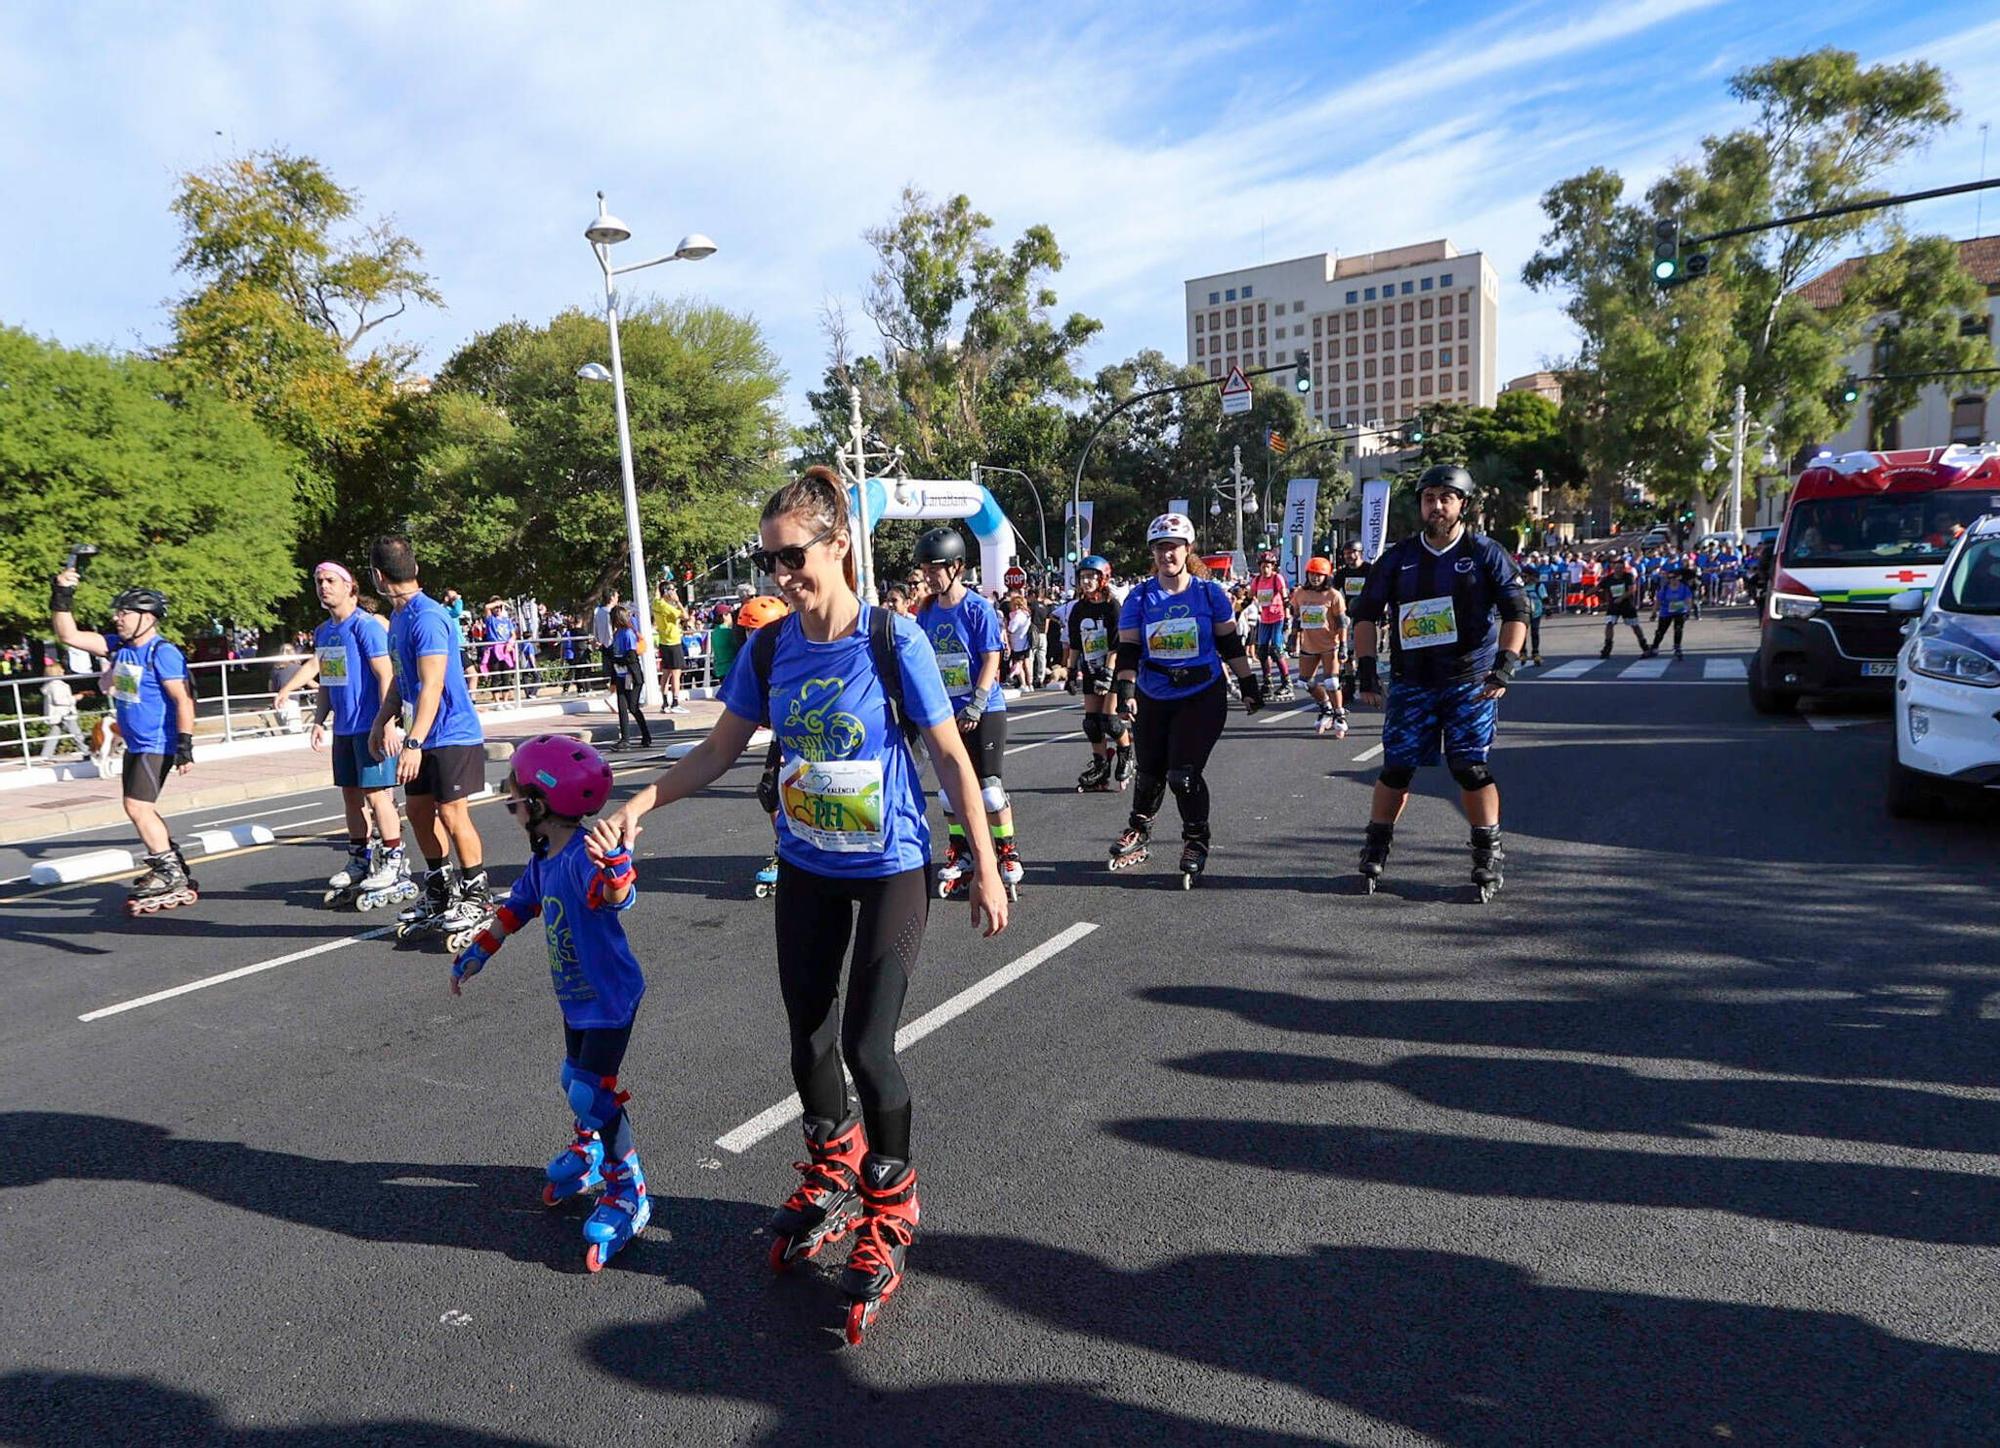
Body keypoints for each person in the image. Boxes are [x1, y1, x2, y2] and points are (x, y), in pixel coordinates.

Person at [603, 464, 1008, 1344]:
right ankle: (833, 1166)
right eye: (768, 561)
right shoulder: (769, 648)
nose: (780, 575)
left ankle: (890, 1200)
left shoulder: (892, 641)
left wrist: (985, 860)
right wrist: (639, 805)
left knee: (869, 1043)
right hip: (809, 862)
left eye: (792, 556)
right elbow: (717, 751)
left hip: (892, 862)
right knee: (807, 1033)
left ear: (840, 545)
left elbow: (948, 757)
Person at [450, 735, 651, 1272]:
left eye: (514, 796)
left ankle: (629, 1191)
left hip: (609, 998)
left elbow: (617, 898)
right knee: (574, 1080)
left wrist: (615, 868)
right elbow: (518, 907)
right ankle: (588, 1153)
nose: (510, 804)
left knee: (591, 1090)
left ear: (540, 804)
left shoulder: (586, 856)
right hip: (577, 997)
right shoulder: (544, 860)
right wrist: (479, 951)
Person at [1349, 465, 1528, 901]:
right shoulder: (1399, 557)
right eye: (1429, 498)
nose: (1437, 506)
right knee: (1396, 768)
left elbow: (1516, 612)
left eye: (1446, 498)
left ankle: (1488, 852)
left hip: (1469, 680)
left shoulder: (1485, 553)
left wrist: (1504, 665)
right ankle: (1376, 844)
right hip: (1414, 681)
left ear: (1463, 504)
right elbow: (1366, 615)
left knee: (1469, 769)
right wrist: (1367, 670)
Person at [1107, 513, 1267, 887]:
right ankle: (1140, 829)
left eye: (1173, 548)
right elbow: (1129, 649)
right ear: (1153, 553)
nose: (1167, 555)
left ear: (1187, 550)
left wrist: (1248, 683)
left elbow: (1229, 642)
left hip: (1201, 693)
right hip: (1155, 692)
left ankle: (1196, 840)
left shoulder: (1209, 593)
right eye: (1161, 548)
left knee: (1183, 775)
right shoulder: (1140, 596)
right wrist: (1125, 692)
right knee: (1149, 771)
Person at [365, 534, 492, 943]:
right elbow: (402, 682)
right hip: (423, 733)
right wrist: (381, 721)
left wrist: (413, 742)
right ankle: (439, 891)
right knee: (419, 812)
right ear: (413, 569)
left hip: (451, 732)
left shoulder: (429, 617)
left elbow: (434, 683)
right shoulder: (398, 619)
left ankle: (477, 895)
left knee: (453, 814)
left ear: (378, 577)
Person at [50, 570, 199, 912]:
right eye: (118, 612)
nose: (117, 618)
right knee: (138, 808)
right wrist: (62, 595)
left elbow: (182, 701)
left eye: (125, 613)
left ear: (147, 618)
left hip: (157, 743)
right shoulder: (119, 647)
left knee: (137, 807)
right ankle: (169, 862)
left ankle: (169, 871)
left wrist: (185, 745)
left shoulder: (162, 652)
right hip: (135, 743)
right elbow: (68, 634)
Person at [272, 562, 413, 909]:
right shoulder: (323, 632)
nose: (323, 586)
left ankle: (393, 858)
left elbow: (386, 677)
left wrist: (387, 723)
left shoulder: (365, 626)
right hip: (344, 729)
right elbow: (328, 682)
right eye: (318, 581)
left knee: (377, 794)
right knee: (351, 796)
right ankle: (359, 858)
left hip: (371, 725)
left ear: (350, 586)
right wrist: (319, 720)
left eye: (330, 580)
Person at [914, 527, 1024, 899]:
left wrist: (977, 700)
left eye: (936, 568)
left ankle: (1007, 853)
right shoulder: (926, 611)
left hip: (984, 707)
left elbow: (992, 657)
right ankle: (961, 852)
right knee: (950, 791)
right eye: (925, 569)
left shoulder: (977, 608)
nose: (929, 575)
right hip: (947, 711)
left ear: (958, 567)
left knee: (989, 790)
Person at [1066, 555, 1129, 791]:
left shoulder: (1112, 607)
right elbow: (1074, 644)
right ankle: (1101, 768)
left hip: (1114, 667)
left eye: (1091, 576)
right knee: (1092, 724)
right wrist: (1071, 671)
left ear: (1103, 578)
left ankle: (1125, 753)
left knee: (1110, 721)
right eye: (1083, 577)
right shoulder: (1078, 609)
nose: (1086, 581)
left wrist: (1109, 672)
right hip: (1091, 668)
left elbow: (1117, 644)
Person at [1291, 556, 1348, 737]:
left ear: (1326, 576)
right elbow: (1296, 617)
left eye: (1319, 575)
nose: (1315, 578)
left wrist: (1344, 646)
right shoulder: (1300, 593)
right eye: (1312, 574)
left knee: (1332, 681)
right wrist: (1293, 638)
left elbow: (1342, 623)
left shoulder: (1333, 595)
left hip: (1330, 645)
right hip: (1309, 645)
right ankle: (1326, 707)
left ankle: (1339, 714)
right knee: (1304, 682)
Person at [605, 605, 653, 751]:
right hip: (621, 676)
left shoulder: (628, 633)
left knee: (633, 707)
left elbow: (631, 656)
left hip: (631, 676)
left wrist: (617, 660)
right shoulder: (617, 633)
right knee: (622, 707)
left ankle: (646, 735)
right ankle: (625, 739)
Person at [1248, 551, 1293, 700]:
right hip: (1264, 619)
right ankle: (1267, 682)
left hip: (1278, 617)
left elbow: (1285, 599)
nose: (1265, 569)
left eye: (1268, 566)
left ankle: (1287, 683)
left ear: (1273, 566)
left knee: (1276, 650)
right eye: (1262, 566)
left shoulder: (1277, 578)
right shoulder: (1256, 580)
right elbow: (1249, 597)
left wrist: (1287, 618)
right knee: (1261, 651)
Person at [1331, 542, 1372, 698]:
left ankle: (1368, 681)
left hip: (1368, 615)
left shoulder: (1369, 570)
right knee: (1348, 651)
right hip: (1349, 616)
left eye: (1352, 552)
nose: (1349, 556)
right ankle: (1349, 683)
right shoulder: (1342, 574)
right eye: (1346, 553)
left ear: (1360, 552)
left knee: (1365, 651)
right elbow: (1335, 594)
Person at [35, 657, 92, 761]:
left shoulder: (50, 685)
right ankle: (87, 751)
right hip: (65, 713)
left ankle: (46, 755)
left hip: (57, 714)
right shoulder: (57, 685)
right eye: (61, 669)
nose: (63, 671)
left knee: (54, 734)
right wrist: (74, 698)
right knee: (76, 733)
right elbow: (59, 700)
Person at [1596, 554, 1647, 658]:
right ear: (1613, 568)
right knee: (1609, 623)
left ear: (1623, 568)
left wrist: (1621, 598)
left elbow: (1632, 589)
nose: (1618, 570)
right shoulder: (1608, 578)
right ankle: (1607, 647)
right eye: (1616, 568)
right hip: (1613, 605)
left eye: (1620, 568)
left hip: (1627, 605)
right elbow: (1597, 587)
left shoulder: (1628, 576)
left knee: (1634, 625)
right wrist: (1585, 596)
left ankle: (1644, 646)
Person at [1650, 566, 1696, 660]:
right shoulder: (1665, 588)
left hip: (1680, 611)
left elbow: (1688, 600)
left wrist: (1688, 611)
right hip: (1666, 611)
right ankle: (1655, 647)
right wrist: (1654, 613)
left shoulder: (1684, 588)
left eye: (1674, 578)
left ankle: (1677, 647)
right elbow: (1658, 601)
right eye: (1670, 578)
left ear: (1678, 578)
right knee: (1660, 631)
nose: (1672, 580)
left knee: (1678, 629)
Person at [656, 583, 688, 714]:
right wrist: (678, 601)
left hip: (663, 642)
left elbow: (656, 595)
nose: (675, 591)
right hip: (673, 642)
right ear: (666, 592)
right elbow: (685, 616)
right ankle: (675, 703)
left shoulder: (656, 603)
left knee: (666, 673)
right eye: (673, 590)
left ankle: (664, 703)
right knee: (676, 673)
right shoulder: (666, 607)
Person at [591, 589, 620, 699]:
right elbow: (612, 629)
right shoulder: (611, 612)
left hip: (604, 645)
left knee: (613, 673)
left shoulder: (597, 611)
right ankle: (614, 697)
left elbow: (595, 629)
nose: (618, 598)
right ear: (611, 597)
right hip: (614, 645)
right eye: (616, 596)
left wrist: (597, 640)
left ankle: (613, 696)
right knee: (618, 672)